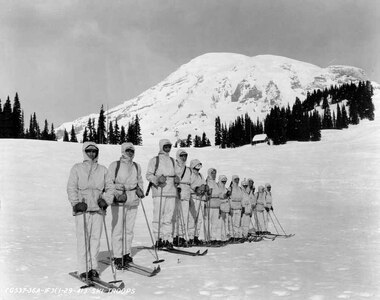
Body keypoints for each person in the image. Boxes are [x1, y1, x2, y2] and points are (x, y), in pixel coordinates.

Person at [67, 142, 115, 280]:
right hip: (83, 210)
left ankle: (93, 268)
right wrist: (76, 203)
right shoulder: (77, 168)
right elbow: (71, 187)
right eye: (89, 151)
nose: (92, 154)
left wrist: (105, 200)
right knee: (83, 239)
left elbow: (110, 188)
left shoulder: (103, 170)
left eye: (94, 151)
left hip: (98, 210)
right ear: (84, 152)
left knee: (95, 240)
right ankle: (83, 269)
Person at [108, 142, 144, 269]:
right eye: (128, 150)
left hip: (132, 199)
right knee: (118, 229)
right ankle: (118, 255)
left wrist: (140, 190)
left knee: (129, 229)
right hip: (120, 199)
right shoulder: (115, 165)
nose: (130, 153)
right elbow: (109, 183)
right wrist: (117, 194)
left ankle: (126, 253)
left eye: (132, 151)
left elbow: (139, 180)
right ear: (123, 151)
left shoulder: (136, 166)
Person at [146, 139, 180, 248]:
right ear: (161, 147)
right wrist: (156, 179)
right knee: (158, 216)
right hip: (159, 190)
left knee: (168, 217)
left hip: (171, 191)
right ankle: (158, 239)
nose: (167, 148)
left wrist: (177, 179)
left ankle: (168, 239)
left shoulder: (173, 161)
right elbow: (148, 175)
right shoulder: (154, 160)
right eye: (165, 146)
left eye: (169, 146)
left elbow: (177, 174)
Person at [172, 149, 192, 247]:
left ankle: (182, 237)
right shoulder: (174, 166)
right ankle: (175, 236)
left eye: (185, 156)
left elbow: (191, 181)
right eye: (182, 156)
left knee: (185, 216)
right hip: (177, 192)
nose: (184, 158)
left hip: (186, 194)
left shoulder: (188, 169)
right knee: (176, 216)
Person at [188, 159, 206, 246]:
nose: (198, 169)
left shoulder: (201, 175)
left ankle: (196, 237)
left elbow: (204, 184)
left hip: (200, 198)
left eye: (199, 167)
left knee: (199, 220)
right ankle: (190, 237)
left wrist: (204, 188)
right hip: (193, 197)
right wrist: (196, 188)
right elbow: (188, 184)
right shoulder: (190, 174)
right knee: (192, 218)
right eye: (196, 167)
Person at [205, 168, 223, 245]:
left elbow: (219, 194)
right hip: (209, 204)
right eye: (212, 173)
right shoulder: (207, 182)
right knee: (208, 222)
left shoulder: (216, 184)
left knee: (215, 223)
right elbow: (205, 193)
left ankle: (213, 238)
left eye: (215, 173)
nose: (214, 175)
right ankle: (206, 238)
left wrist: (225, 195)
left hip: (216, 205)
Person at [228, 175, 244, 242]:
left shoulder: (240, 189)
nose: (237, 181)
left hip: (238, 208)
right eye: (235, 179)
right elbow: (228, 199)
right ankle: (232, 236)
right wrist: (230, 208)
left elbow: (242, 198)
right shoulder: (230, 188)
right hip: (233, 208)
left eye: (238, 179)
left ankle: (236, 236)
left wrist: (242, 207)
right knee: (232, 223)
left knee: (237, 223)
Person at [218, 175, 230, 243]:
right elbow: (220, 196)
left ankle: (225, 237)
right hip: (221, 206)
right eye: (223, 181)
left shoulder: (225, 188)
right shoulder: (218, 188)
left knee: (225, 223)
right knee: (221, 223)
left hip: (226, 206)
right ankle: (221, 237)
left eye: (225, 181)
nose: (224, 182)